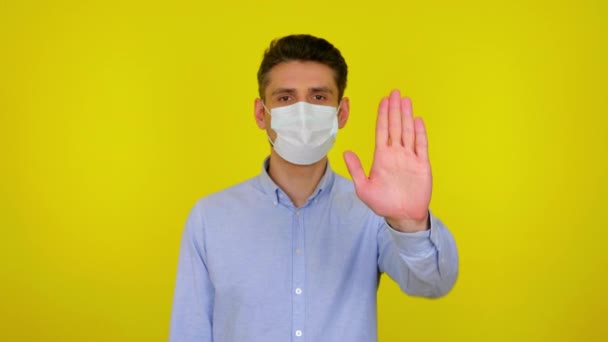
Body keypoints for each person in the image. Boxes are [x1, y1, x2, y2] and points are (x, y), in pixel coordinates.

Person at [169, 34, 458, 342]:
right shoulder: (210, 218)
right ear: (259, 113)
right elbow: (190, 332)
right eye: (285, 98)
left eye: (318, 97)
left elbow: (433, 283)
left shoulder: (373, 212)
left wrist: (409, 224)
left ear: (341, 112)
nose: (302, 112)